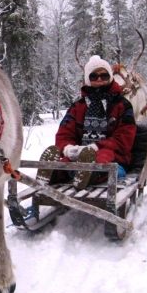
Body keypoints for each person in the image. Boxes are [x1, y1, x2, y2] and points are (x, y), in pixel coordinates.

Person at [55, 55, 136, 191]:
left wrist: (95, 147)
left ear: (110, 77)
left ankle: (88, 173)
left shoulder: (122, 105)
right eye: (94, 76)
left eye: (104, 76)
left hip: (115, 157)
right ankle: (55, 172)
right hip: (81, 155)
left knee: (102, 159)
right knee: (67, 161)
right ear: (88, 79)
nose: (99, 79)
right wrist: (68, 148)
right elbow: (64, 132)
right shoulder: (78, 107)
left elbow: (124, 139)